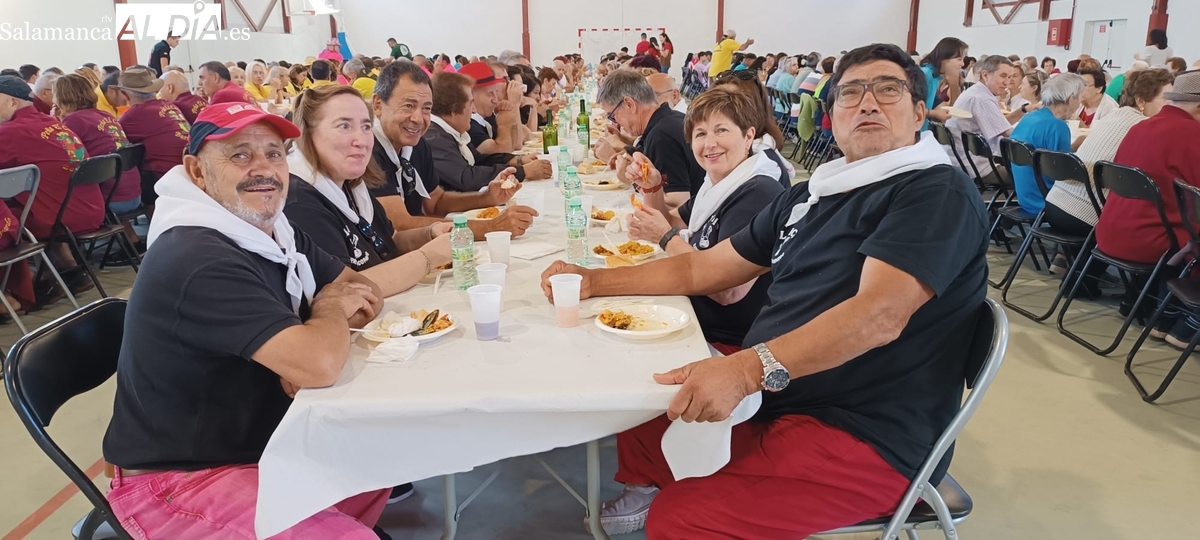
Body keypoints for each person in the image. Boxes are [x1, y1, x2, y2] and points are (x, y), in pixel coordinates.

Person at [541, 42, 987, 538]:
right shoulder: (813, 194)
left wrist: (746, 370)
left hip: (863, 432)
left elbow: (878, 315)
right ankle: (664, 484)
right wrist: (592, 282)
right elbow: (702, 271)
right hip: (784, 394)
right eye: (851, 93)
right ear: (832, 115)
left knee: (684, 519)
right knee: (642, 397)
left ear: (920, 111)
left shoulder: (931, 190)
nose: (866, 104)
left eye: (887, 90)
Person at [102, 100, 391, 539]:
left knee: (385, 455)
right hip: (181, 479)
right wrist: (325, 319)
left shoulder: (275, 232)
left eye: (274, 153)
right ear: (198, 172)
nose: (264, 169)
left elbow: (363, 288)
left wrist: (312, 342)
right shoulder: (196, 255)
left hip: (263, 441)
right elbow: (319, 362)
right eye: (240, 154)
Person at [623, 86, 783, 352]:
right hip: (692, 314)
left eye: (721, 130)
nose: (710, 143)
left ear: (748, 136)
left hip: (727, 344)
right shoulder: (717, 183)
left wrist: (665, 238)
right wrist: (652, 187)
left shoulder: (758, 193)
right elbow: (672, 220)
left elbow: (726, 290)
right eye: (700, 134)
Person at [369, 60, 537, 240]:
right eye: (408, 105)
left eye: (426, 108)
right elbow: (399, 225)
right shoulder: (369, 151)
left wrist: (487, 197)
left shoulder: (416, 144)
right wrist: (490, 227)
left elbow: (436, 202)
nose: (418, 118)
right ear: (378, 105)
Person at [1095, 70, 1200, 347]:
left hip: (1111, 232)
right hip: (1154, 243)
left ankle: (1165, 316)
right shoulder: (1193, 135)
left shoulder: (1140, 126)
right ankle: (1188, 322)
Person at [1042, 69, 1174, 276]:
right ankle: (1090, 280)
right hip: (1083, 216)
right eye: (1167, 99)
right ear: (1141, 101)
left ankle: (1076, 272)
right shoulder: (1144, 127)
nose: (1171, 106)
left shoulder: (1114, 115)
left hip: (1054, 205)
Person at [424, 72, 550, 192]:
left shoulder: (450, 130)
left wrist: (517, 160)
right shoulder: (436, 139)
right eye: (470, 103)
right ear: (454, 110)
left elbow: (479, 159)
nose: (473, 111)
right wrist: (523, 171)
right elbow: (466, 178)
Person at [600, 70, 705, 209]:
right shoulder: (670, 119)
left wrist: (634, 181)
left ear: (630, 104)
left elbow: (678, 206)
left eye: (613, 115)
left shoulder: (662, 136)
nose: (616, 123)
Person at [54, 74, 143, 216]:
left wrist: (58, 122)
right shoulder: (106, 115)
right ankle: (131, 237)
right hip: (135, 194)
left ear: (60, 99)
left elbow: (67, 158)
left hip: (110, 200)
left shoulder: (73, 121)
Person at [116, 67, 190, 207]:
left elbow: (113, 139)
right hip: (187, 173)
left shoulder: (134, 115)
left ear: (126, 95)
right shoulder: (169, 105)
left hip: (163, 179)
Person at [1009, 74, 1082, 215]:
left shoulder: (1029, 118)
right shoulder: (1057, 126)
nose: (1080, 103)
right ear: (1071, 99)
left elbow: (1050, 157)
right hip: (1047, 200)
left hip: (1026, 197)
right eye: (1079, 98)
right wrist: (1081, 145)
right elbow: (1064, 173)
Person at [712, 69, 795, 189]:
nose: (716, 111)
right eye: (713, 102)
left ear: (755, 108)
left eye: (731, 105)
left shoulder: (761, 170)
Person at [946, 55, 1018, 179]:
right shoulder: (981, 98)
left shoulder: (976, 91)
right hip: (973, 167)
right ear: (985, 75)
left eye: (1010, 77)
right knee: (1033, 178)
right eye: (1003, 76)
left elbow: (1000, 125)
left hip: (959, 160)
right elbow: (1007, 133)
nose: (1007, 82)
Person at [459, 62, 517, 154]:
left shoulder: (486, 119)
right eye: (490, 94)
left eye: (496, 93)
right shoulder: (469, 125)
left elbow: (515, 145)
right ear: (470, 95)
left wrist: (511, 115)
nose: (495, 100)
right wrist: (504, 126)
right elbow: (501, 154)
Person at [919, 37, 968, 126]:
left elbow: (951, 110)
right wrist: (934, 113)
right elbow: (908, 107)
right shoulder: (924, 74)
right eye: (959, 59)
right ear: (944, 58)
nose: (962, 64)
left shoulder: (936, 76)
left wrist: (954, 86)